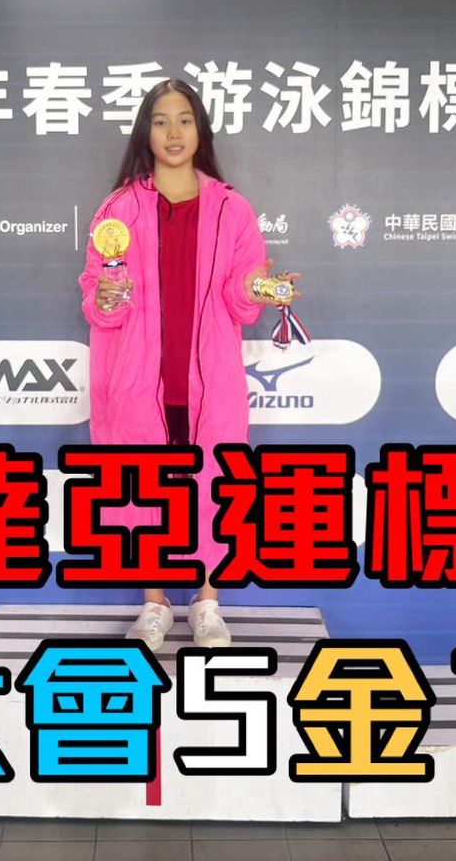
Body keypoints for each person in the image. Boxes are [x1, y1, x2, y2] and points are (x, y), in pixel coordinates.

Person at [77, 79, 301, 650]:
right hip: (138, 382)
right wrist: (104, 297)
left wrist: (262, 287)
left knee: (212, 487)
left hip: (208, 382)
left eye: (184, 120)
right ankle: (155, 604)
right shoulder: (119, 209)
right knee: (143, 490)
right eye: (160, 121)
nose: (173, 133)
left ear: (200, 130)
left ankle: (206, 602)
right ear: (145, 132)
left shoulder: (231, 209)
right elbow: (98, 297)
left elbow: (240, 292)